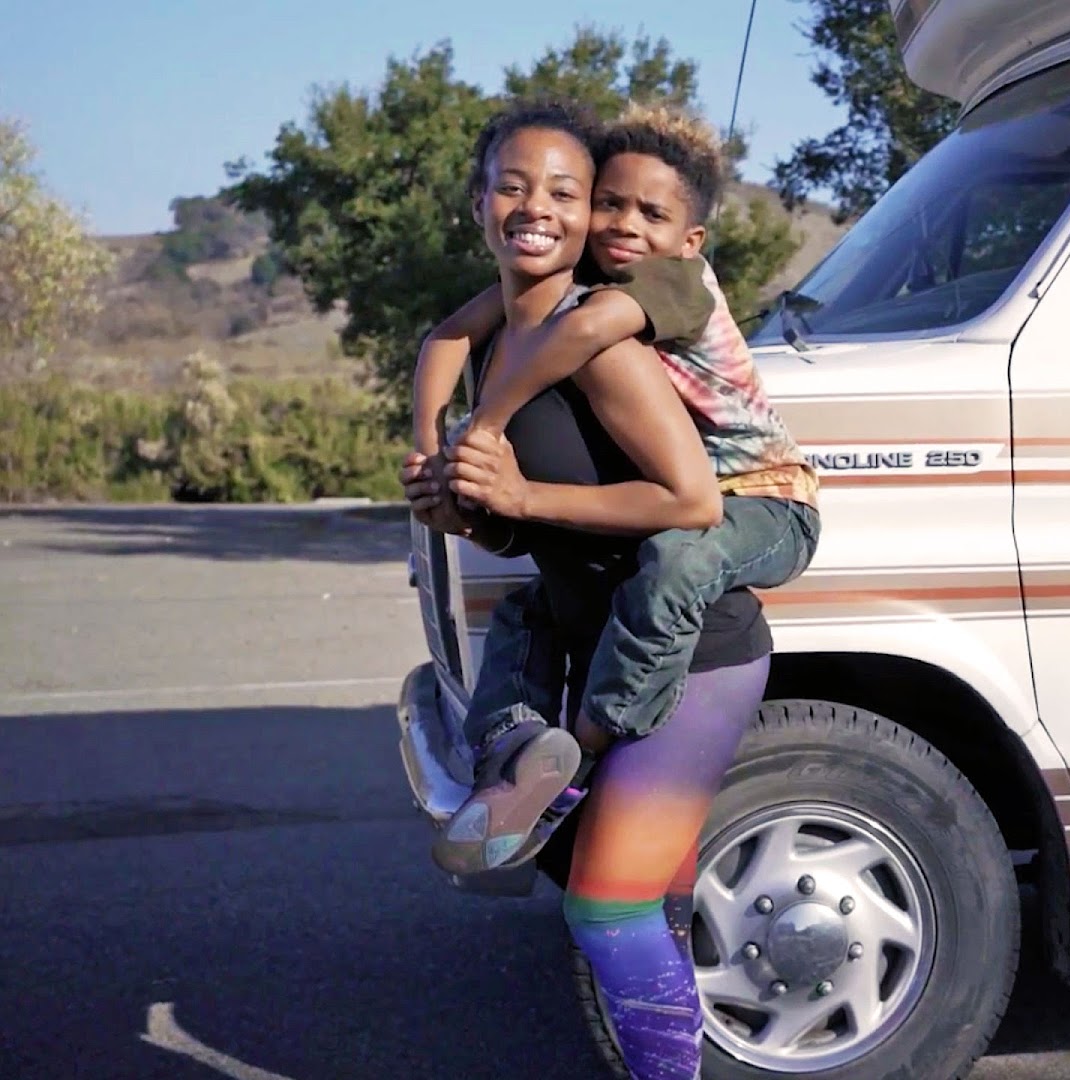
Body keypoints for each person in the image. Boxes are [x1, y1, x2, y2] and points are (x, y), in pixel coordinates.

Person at [404, 97, 773, 1080]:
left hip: (688, 655)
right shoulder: (496, 343)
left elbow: (690, 500)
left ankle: (547, 771)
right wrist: (467, 508)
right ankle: (529, 765)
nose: (540, 207)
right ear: (478, 202)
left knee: (605, 909)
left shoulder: (599, 341)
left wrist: (517, 486)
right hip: (594, 640)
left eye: (565, 192)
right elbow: (533, 529)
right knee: (642, 902)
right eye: (514, 185)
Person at [413, 104, 821, 876]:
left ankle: (594, 741)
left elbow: (578, 337)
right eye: (611, 203)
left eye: (650, 212)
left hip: (769, 498)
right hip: (702, 508)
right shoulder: (572, 291)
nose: (623, 222)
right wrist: (438, 462)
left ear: (691, 238)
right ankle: (512, 751)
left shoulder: (667, 284)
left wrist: (488, 425)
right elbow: (447, 335)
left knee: (676, 561)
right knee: (526, 610)